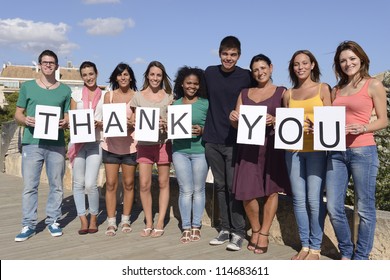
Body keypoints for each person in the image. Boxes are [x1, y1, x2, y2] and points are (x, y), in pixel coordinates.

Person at [326, 41, 388, 260]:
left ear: (361, 59)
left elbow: (383, 121)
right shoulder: (336, 89)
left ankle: (361, 257)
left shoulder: (373, 85)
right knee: (333, 207)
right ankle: (346, 250)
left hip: (363, 151)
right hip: (336, 152)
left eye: (352, 58)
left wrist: (363, 126)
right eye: (343, 60)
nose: (348, 63)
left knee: (365, 209)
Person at [229, 54, 290, 254]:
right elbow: (236, 124)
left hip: (272, 146)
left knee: (271, 191)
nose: (260, 72)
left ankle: (263, 233)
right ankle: (255, 228)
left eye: (263, 68)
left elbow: (291, 120)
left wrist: (276, 118)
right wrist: (233, 117)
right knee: (247, 193)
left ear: (271, 68)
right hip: (248, 148)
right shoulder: (244, 93)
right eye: (256, 70)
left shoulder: (282, 92)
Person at [14, 49, 71, 241]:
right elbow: (18, 114)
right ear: (39, 64)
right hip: (32, 143)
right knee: (30, 185)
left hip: (56, 144)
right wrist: (26, 121)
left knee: (57, 185)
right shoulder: (28, 87)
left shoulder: (65, 90)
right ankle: (28, 225)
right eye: (45, 62)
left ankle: (53, 221)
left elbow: (67, 115)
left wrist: (65, 121)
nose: (48, 65)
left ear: (56, 66)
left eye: (52, 62)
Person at [203, 36, 252, 251]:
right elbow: (195, 95)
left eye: (233, 55)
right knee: (220, 187)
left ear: (239, 56)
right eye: (225, 54)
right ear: (219, 54)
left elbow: (257, 100)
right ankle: (225, 228)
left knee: (234, 188)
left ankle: (239, 231)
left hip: (235, 140)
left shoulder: (246, 76)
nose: (228, 58)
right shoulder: (210, 73)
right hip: (212, 139)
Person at [283, 50, 332, 260]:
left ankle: (315, 248)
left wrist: (317, 128)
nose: (300, 67)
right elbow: (286, 123)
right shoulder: (288, 94)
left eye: (304, 63)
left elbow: (331, 122)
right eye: (296, 64)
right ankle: (304, 246)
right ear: (292, 68)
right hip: (293, 152)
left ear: (312, 65)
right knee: (298, 200)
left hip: (317, 151)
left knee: (314, 200)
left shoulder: (323, 89)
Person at [130, 61, 173, 238]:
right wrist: (133, 122)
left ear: (163, 77)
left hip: (164, 144)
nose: (155, 78)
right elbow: (132, 120)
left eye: (159, 75)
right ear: (147, 75)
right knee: (144, 184)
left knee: (164, 183)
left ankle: (160, 221)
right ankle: (149, 221)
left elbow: (177, 123)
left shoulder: (170, 96)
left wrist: (167, 123)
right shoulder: (138, 97)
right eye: (152, 74)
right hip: (144, 146)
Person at [172, 66, 209, 244]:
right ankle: (186, 227)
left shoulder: (205, 103)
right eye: (189, 83)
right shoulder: (175, 104)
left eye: (195, 84)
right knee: (185, 190)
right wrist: (166, 125)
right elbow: (170, 128)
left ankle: (197, 225)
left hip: (200, 152)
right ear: (182, 83)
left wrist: (203, 130)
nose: (192, 86)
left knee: (199, 189)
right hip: (180, 151)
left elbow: (213, 127)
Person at [101, 63, 138, 236]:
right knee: (110, 184)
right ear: (115, 78)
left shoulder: (137, 97)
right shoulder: (108, 96)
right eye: (119, 75)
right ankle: (111, 221)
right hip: (110, 146)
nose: (123, 77)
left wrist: (133, 124)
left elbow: (140, 122)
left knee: (129, 184)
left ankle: (125, 219)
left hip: (131, 146)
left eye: (126, 74)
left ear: (130, 77)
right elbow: (107, 120)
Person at [67, 61, 104, 235]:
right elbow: (72, 119)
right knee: (78, 183)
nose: (88, 77)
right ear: (81, 77)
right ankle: (83, 218)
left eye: (91, 73)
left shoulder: (105, 95)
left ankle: (94, 217)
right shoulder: (75, 95)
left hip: (96, 142)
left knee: (90, 184)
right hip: (78, 143)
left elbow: (110, 122)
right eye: (85, 75)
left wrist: (100, 123)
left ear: (96, 73)